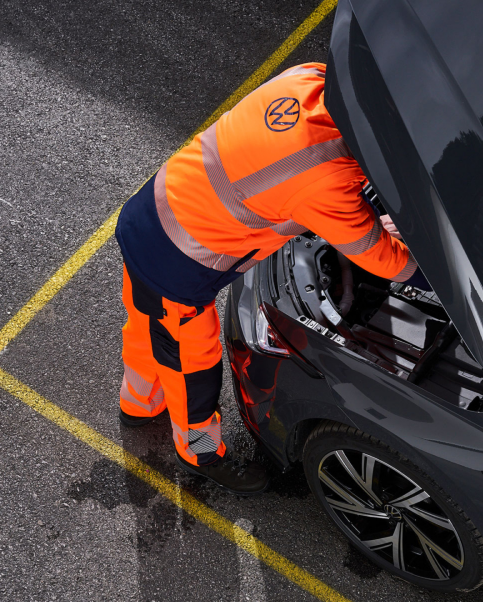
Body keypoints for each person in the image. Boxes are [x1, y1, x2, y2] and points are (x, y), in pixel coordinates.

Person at [114, 62, 419, 495]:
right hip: (178, 266)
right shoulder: (325, 179)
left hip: (151, 213)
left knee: (148, 328)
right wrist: (431, 278)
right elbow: (386, 261)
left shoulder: (308, 79)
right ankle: (198, 451)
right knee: (191, 369)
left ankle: (138, 404)